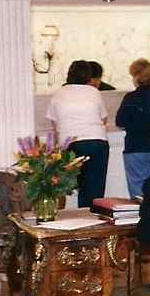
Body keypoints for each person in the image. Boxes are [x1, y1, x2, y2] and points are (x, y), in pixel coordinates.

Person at [45, 59, 109, 207]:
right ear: (88, 76)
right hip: (97, 142)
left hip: (72, 145)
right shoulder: (94, 92)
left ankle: (78, 219)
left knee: (73, 185)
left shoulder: (58, 94)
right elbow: (103, 119)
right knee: (94, 190)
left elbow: (54, 124)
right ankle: (92, 222)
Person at [115, 58, 150, 199]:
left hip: (135, 148)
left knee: (138, 190)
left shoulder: (131, 98)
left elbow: (120, 122)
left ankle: (140, 217)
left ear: (136, 77)